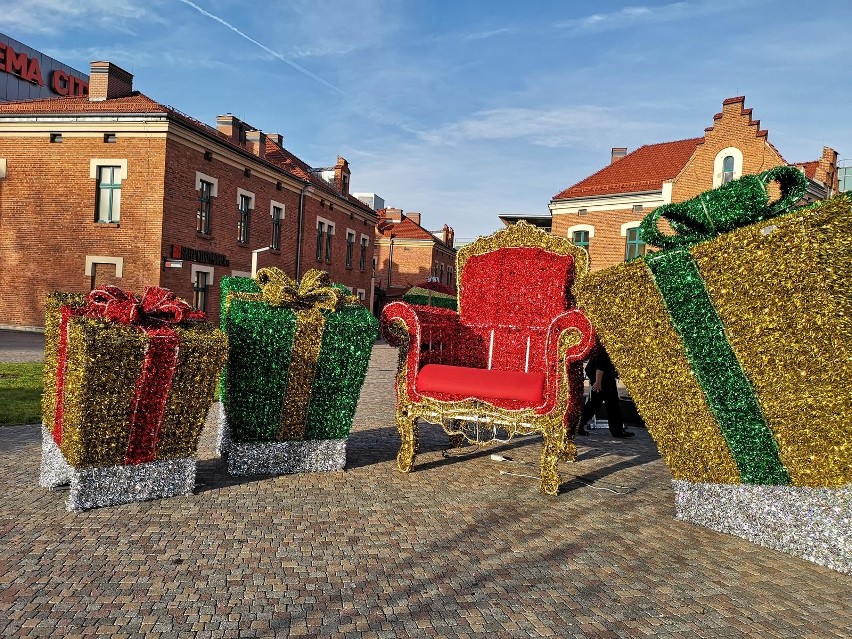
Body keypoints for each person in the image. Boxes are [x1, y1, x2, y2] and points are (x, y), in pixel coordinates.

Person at [577, 338, 634, 438]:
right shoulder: (607, 345)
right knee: (610, 404)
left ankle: (578, 425)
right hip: (603, 379)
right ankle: (617, 431)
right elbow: (601, 365)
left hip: (603, 377)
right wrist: (598, 382)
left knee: (598, 404)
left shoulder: (605, 344)